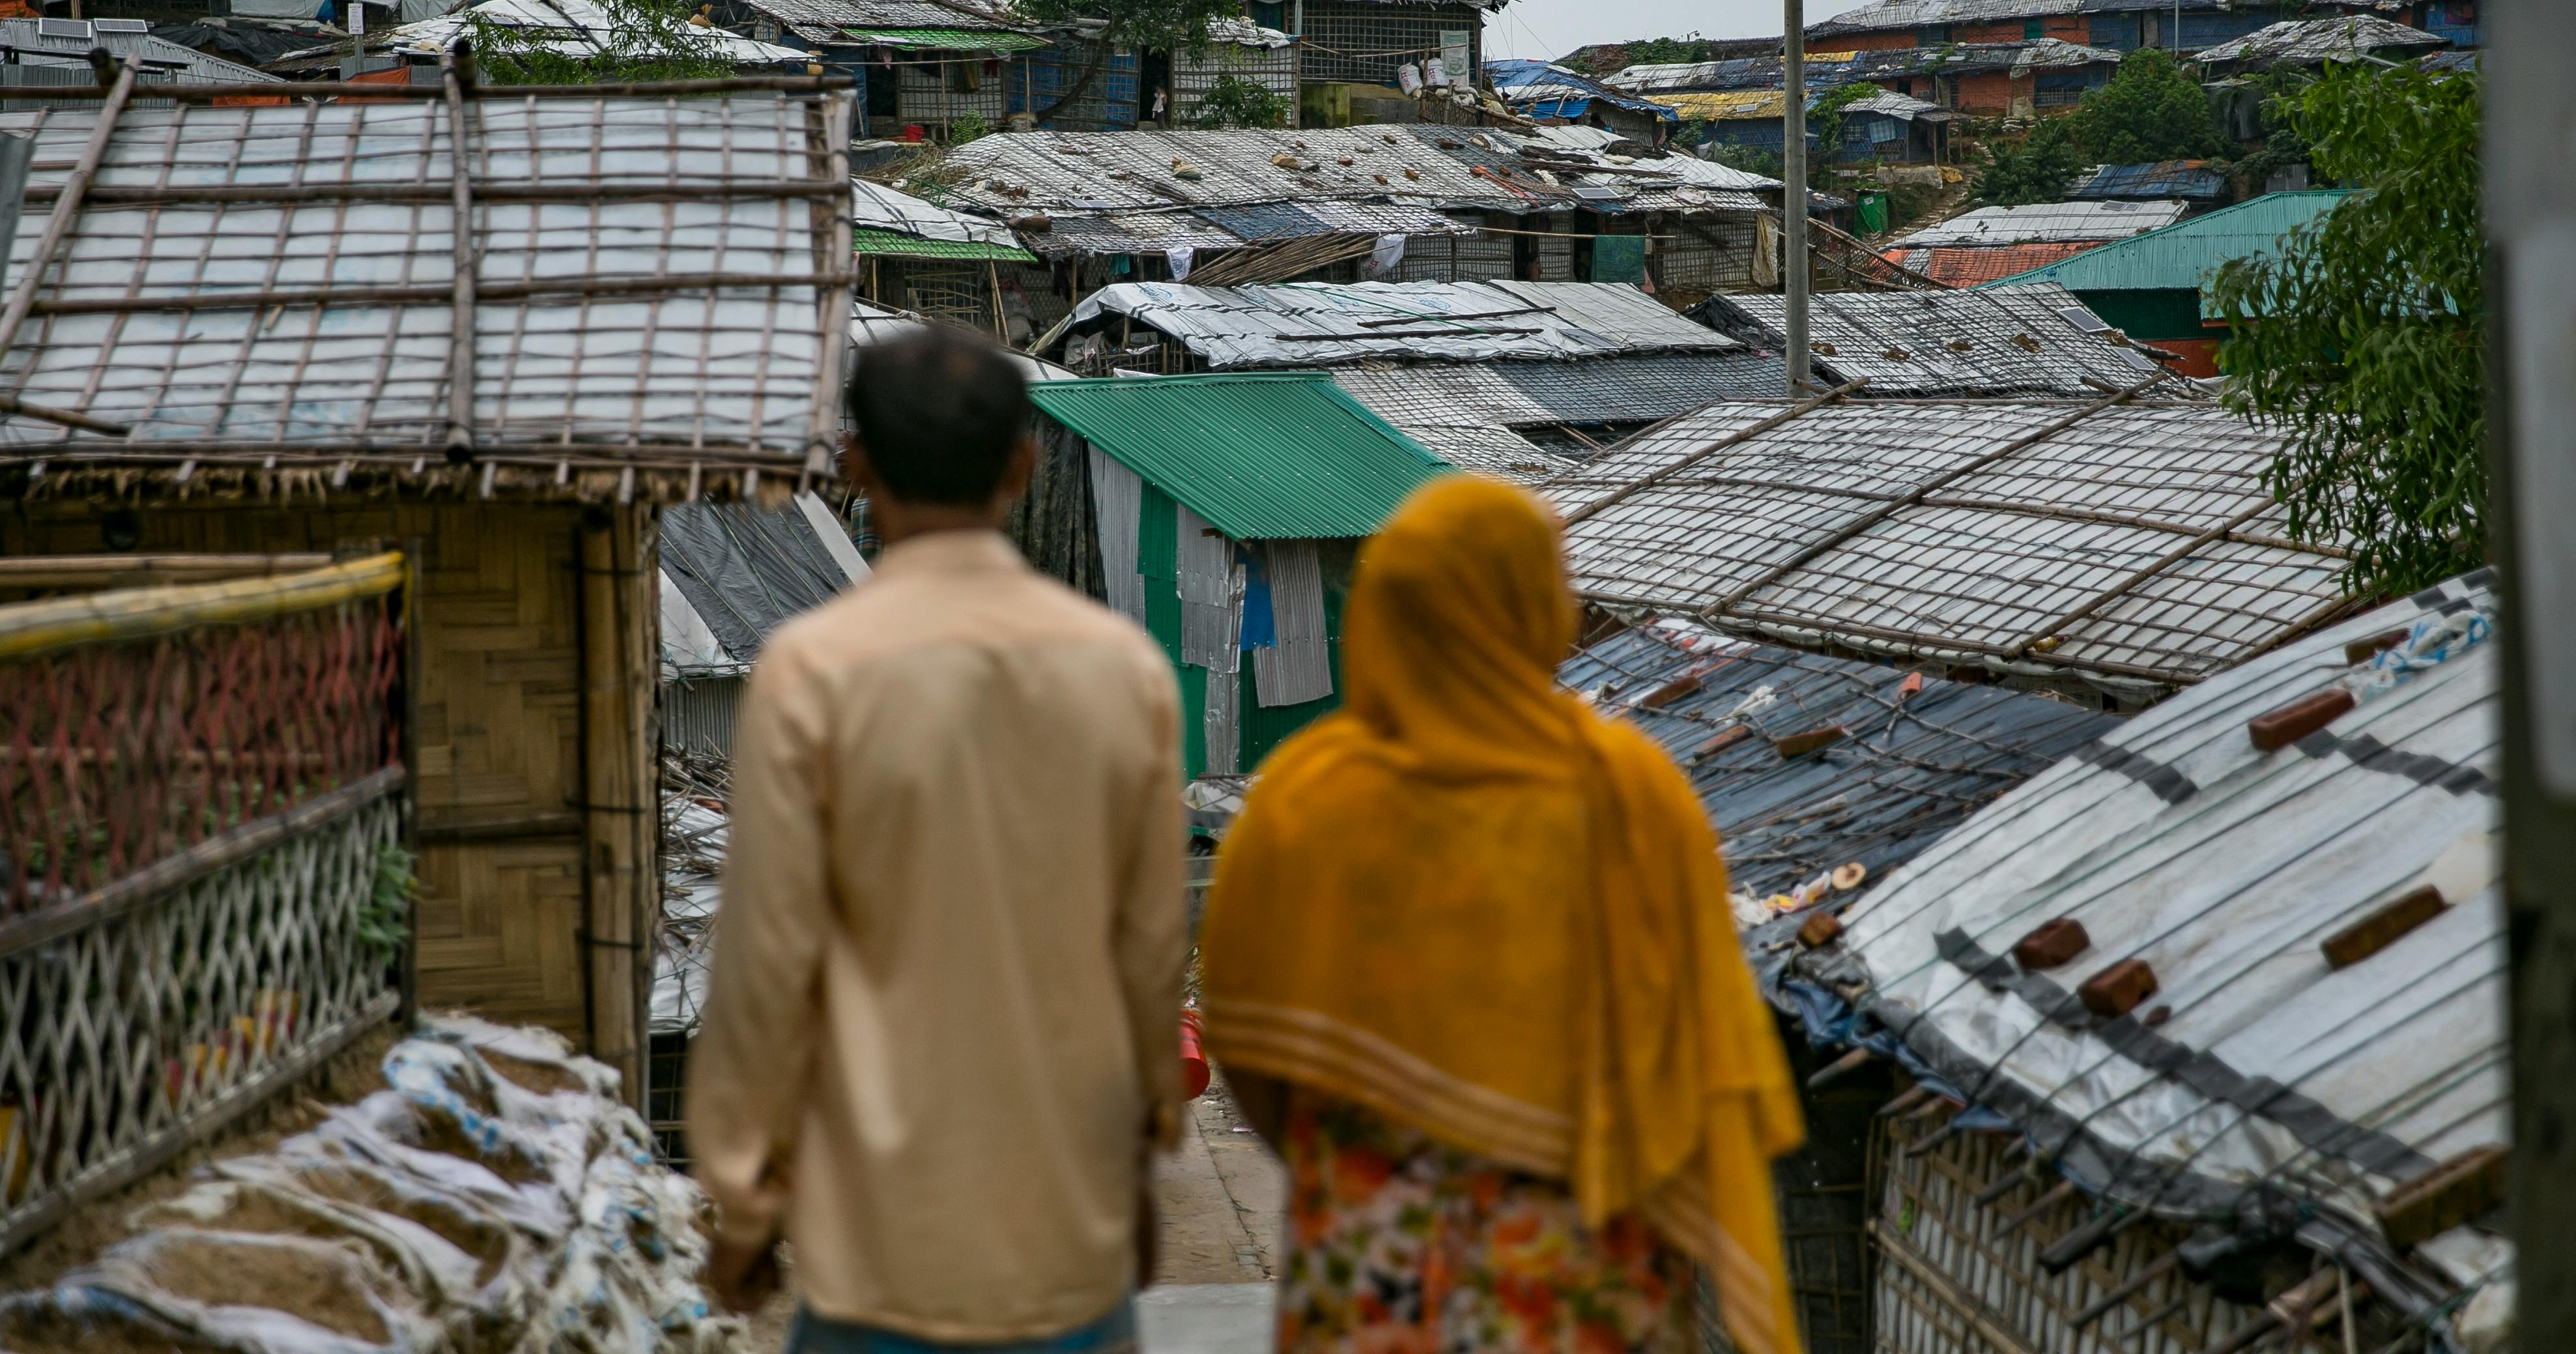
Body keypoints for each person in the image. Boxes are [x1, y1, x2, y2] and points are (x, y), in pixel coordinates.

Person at [1197, 476, 1804, 1354]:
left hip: (1376, 1255)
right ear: (1535, 607)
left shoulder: (1306, 799)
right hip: (1583, 1267)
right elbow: (1704, 1050)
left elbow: (1248, 1044)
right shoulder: (1628, 793)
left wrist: (1365, 1161)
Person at [689, 326, 1184, 1353]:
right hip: (1067, 1235)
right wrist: (1143, 1162)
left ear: (857, 466)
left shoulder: (814, 672)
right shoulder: (1121, 670)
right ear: (1023, 465)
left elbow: (765, 970)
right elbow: (1147, 961)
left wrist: (743, 1201)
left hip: (879, 1247)